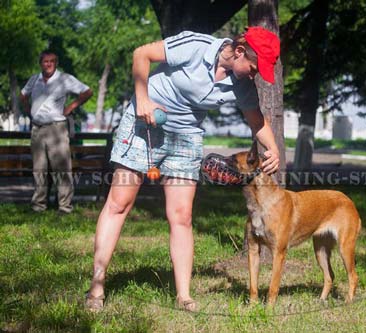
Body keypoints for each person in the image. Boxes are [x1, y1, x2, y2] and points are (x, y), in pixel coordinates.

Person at [85, 26, 281, 312]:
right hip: (144, 125)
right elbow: (142, 54)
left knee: (182, 215)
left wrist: (273, 148)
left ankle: (184, 296)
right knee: (119, 203)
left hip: (186, 134)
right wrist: (142, 98)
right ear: (239, 52)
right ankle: (97, 287)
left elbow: (256, 121)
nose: (254, 74)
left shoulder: (242, 85)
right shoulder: (195, 46)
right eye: (253, 67)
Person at [20, 50, 93, 214]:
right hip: (37, 128)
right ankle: (39, 205)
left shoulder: (64, 79)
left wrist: (71, 107)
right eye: (46, 61)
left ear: (56, 63)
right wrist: (28, 112)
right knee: (39, 169)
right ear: (41, 63)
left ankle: (64, 206)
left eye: (52, 61)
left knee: (61, 168)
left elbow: (87, 91)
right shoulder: (34, 79)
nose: (49, 64)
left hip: (57, 128)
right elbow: (23, 95)